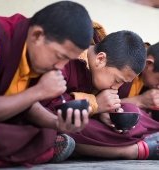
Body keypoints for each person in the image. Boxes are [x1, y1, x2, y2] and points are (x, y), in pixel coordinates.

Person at [0, 1, 94, 168]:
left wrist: (57, 123)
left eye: (67, 60)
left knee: (47, 131)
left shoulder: (32, 52)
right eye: (59, 56)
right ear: (37, 35)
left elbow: (23, 103)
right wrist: (39, 91)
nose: (61, 66)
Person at [43, 30, 159, 160]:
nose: (116, 88)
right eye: (116, 81)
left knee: (130, 112)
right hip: (58, 120)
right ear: (100, 59)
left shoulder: (105, 67)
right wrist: (95, 105)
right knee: (55, 126)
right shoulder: (67, 59)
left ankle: (73, 147)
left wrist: (104, 112)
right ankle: (133, 150)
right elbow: (47, 106)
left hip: (87, 120)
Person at [119, 42, 159, 121]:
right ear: (149, 63)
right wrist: (140, 101)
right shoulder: (122, 63)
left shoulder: (147, 75)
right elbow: (100, 105)